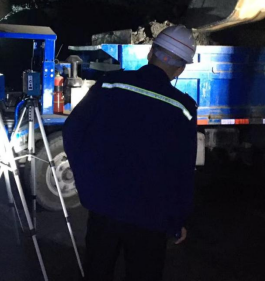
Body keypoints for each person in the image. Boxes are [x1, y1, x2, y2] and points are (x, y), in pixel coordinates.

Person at [63, 25, 198, 281]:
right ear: (180, 69)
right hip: (151, 218)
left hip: (104, 209)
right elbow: (183, 171)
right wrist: (178, 218)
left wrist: (88, 185)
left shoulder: (110, 84)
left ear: (151, 53)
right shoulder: (183, 108)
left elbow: (73, 132)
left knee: (97, 273)